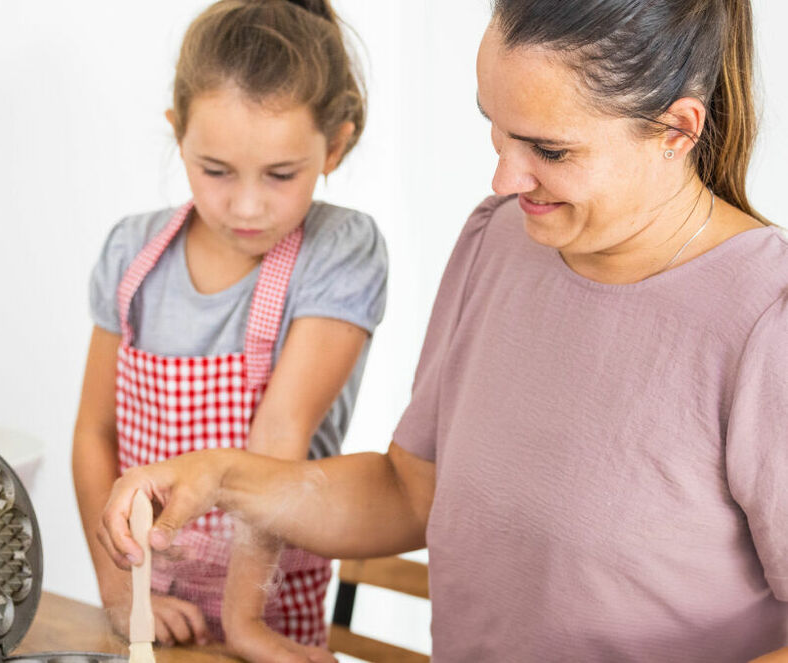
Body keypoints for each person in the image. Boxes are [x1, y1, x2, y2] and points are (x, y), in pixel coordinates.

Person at [98, 1, 788, 661]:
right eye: (497, 129)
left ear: (678, 129)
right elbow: (408, 492)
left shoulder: (765, 315)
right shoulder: (499, 240)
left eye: (549, 148)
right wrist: (220, 476)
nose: (505, 176)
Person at [70, 1, 387, 661]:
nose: (245, 205)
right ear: (176, 133)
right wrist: (120, 591)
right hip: (145, 606)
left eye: (281, 175)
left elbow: (278, 439)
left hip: (268, 610)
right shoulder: (132, 253)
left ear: (334, 145)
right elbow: (95, 433)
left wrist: (245, 624)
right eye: (215, 170)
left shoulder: (338, 251)